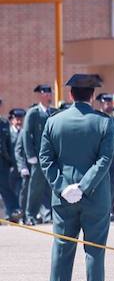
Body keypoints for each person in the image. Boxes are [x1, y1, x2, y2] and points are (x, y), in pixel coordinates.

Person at [39, 74, 114, 281]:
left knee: (62, 249)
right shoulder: (104, 122)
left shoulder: (54, 121)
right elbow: (104, 160)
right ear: (92, 95)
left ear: (71, 95)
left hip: (62, 199)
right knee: (94, 250)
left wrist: (63, 187)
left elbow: (45, 159)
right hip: (95, 196)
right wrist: (84, 186)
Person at [23, 84, 55, 225]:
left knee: (50, 186)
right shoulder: (33, 112)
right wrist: (30, 154)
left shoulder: (53, 112)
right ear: (39, 95)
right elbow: (26, 134)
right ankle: (30, 215)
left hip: (51, 155)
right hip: (38, 156)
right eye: (45, 93)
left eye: (49, 92)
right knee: (35, 187)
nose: (48, 95)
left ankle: (47, 214)